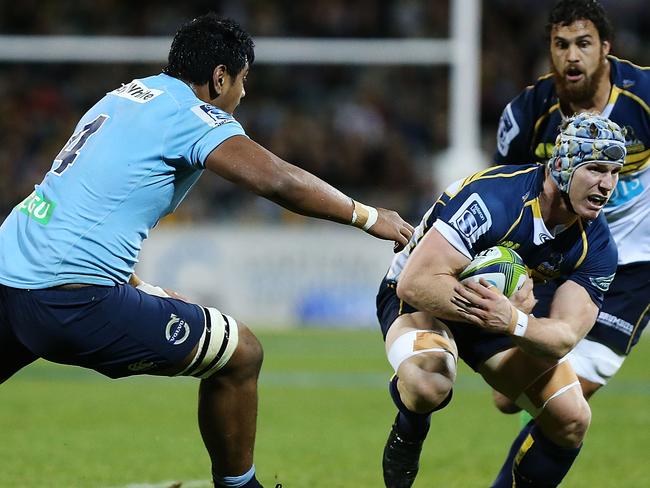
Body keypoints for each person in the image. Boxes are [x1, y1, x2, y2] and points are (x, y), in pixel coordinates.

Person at [0, 14, 414, 488]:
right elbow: (275, 179)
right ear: (220, 77)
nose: (242, 95)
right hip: (69, 299)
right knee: (242, 355)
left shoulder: (125, 96)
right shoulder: (188, 114)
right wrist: (367, 216)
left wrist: (138, 285)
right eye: (242, 81)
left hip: (9, 274)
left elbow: (87, 198)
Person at [376, 113, 626, 488]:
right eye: (594, 169)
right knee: (430, 383)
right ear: (562, 165)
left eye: (614, 172)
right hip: (424, 302)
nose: (607, 185)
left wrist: (513, 321)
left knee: (571, 418)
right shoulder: (495, 198)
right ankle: (411, 426)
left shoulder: (598, 246)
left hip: (497, 315)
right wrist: (501, 313)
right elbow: (416, 283)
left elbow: (564, 336)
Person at [493, 0, 650, 417]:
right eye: (561, 45)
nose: (572, 56)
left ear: (606, 48)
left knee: (563, 403)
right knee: (507, 397)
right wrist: (517, 267)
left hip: (635, 265)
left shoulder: (644, 97)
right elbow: (508, 195)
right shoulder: (528, 113)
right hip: (563, 257)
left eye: (583, 43)